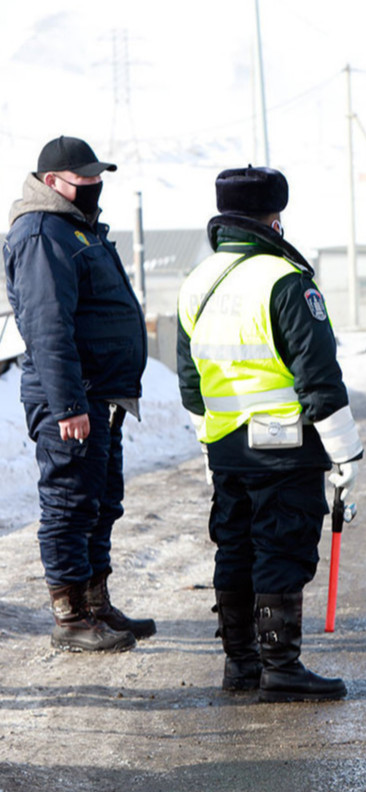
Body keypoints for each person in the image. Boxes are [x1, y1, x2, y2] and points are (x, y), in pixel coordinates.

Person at [176, 165, 362, 703]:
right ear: (274, 217)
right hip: (284, 448)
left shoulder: (198, 282)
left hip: (227, 446)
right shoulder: (285, 281)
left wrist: (207, 435)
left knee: (234, 547)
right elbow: (319, 376)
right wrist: (346, 452)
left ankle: (242, 665)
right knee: (279, 549)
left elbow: (190, 379)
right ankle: (281, 668)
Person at [3, 136, 155, 653]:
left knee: (99, 502)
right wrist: (68, 404)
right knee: (70, 503)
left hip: (98, 395)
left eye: (97, 178)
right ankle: (69, 617)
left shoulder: (76, 229)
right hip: (69, 397)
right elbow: (48, 325)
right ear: (52, 183)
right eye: (83, 179)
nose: (94, 186)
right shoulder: (44, 232)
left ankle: (96, 602)